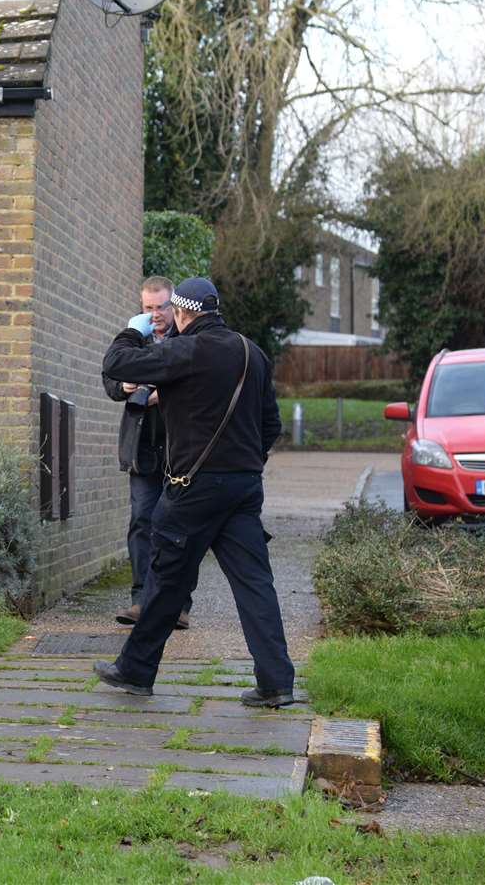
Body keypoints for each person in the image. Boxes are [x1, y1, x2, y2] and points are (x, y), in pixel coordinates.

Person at [92, 277, 297, 708]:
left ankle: (135, 670)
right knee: (255, 583)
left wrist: (136, 329)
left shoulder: (186, 350)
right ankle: (276, 682)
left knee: (166, 577)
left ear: (183, 313)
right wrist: (245, 465)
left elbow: (117, 363)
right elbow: (271, 424)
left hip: (193, 489)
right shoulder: (251, 353)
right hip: (243, 489)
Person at [102, 276, 191, 630]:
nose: (154, 314)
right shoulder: (132, 338)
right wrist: (124, 386)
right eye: (148, 308)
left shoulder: (187, 341)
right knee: (142, 521)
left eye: (161, 307)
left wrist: (160, 394)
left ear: (174, 307)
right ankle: (140, 600)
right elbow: (110, 379)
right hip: (142, 448)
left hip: (179, 451)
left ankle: (178, 604)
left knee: (177, 527)